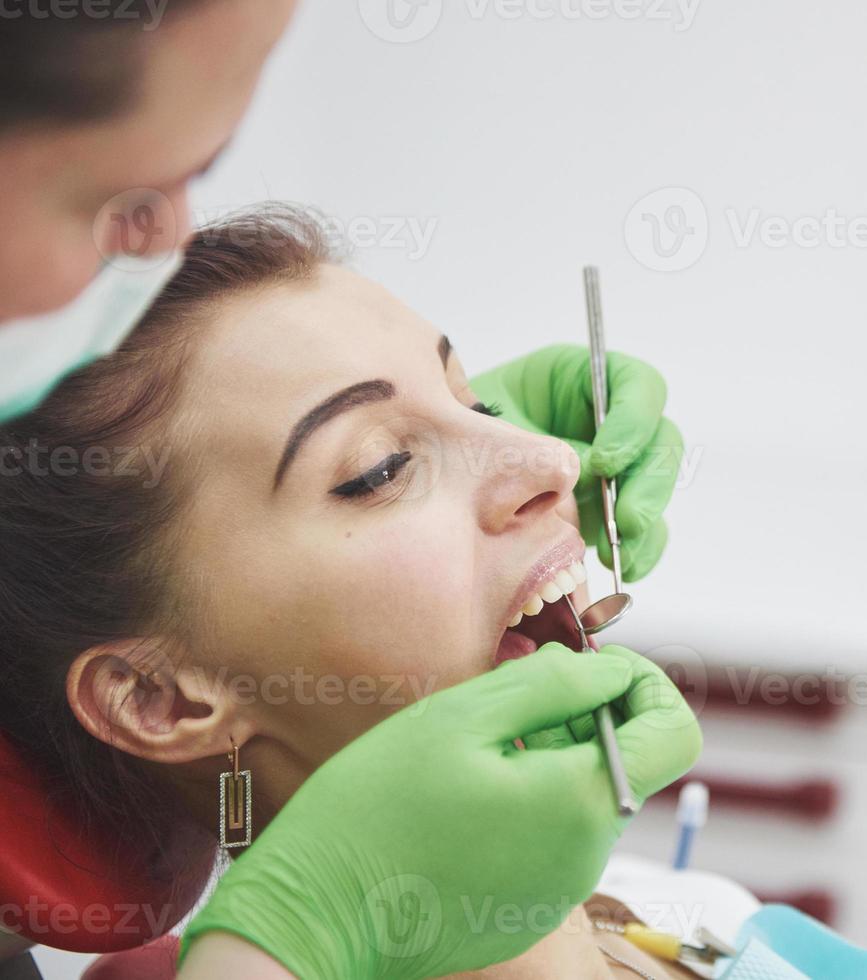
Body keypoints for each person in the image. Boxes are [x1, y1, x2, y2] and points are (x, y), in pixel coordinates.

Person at [0, 5, 694, 975]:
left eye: (476, 396)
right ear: (159, 696)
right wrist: (304, 919)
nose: (554, 464)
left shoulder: (717, 929)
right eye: (375, 469)